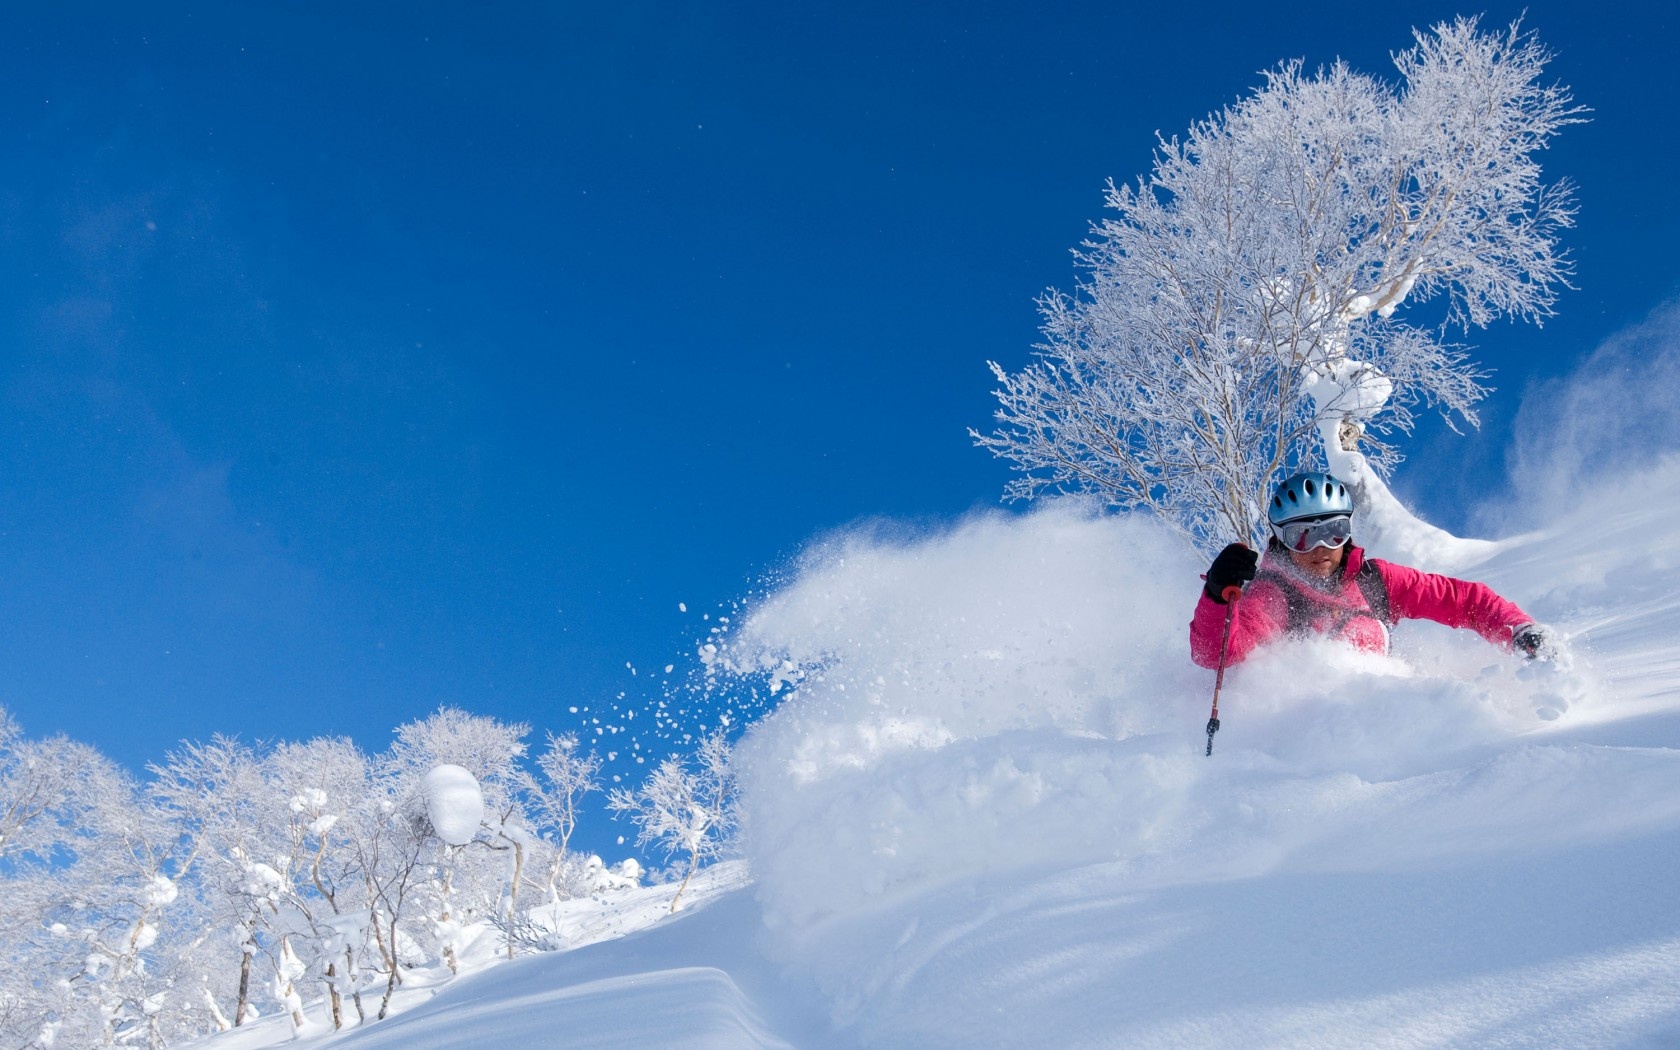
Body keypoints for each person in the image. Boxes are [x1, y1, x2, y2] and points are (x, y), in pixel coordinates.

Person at [1189, 470, 1561, 668]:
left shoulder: (1374, 579)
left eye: (1333, 533)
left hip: (1389, 731)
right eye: (1302, 536)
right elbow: (1217, 656)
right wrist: (1216, 598)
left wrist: (1519, 629)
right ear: (1282, 541)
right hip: (1317, 748)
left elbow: (1462, 600)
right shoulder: (1274, 595)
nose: (1320, 548)